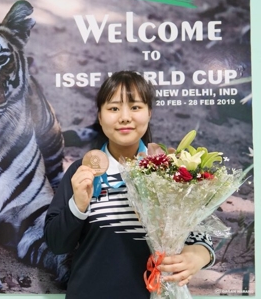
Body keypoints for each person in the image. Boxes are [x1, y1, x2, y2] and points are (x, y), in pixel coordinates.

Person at [44, 71, 214, 299]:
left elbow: (202, 235)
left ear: (149, 113)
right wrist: (78, 205)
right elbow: (57, 243)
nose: (125, 117)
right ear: (100, 116)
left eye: (135, 107)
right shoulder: (80, 173)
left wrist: (198, 255)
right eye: (113, 108)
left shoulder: (172, 170)